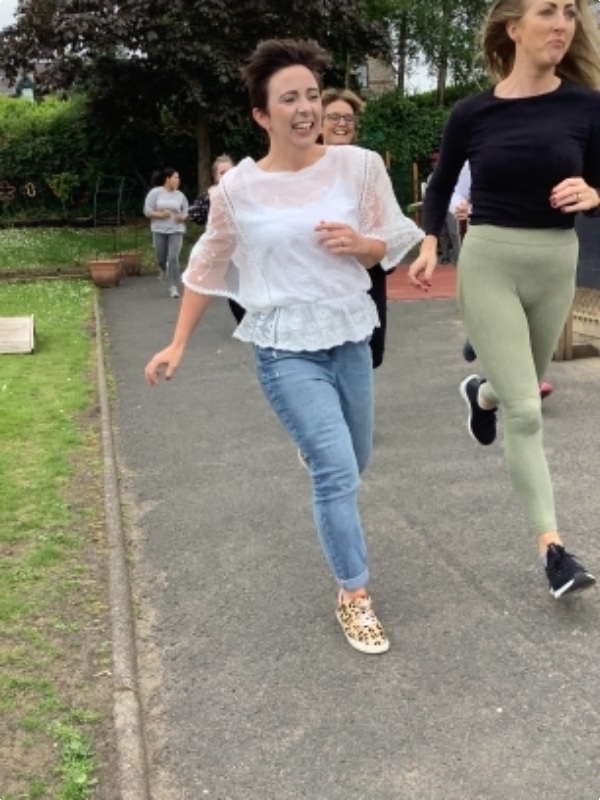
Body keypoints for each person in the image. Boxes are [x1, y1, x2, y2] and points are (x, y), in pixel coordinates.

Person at [145, 38, 423, 654]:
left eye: (312, 96)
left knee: (356, 459)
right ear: (262, 115)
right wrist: (177, 343)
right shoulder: (237, 191)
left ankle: (318, 451)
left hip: (349, 335)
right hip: (283, 345)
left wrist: (363, 246)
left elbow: (390, 239)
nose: (305, 109)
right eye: (289, 99)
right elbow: (206, 266)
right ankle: (354, 594)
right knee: (335, 470)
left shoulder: (359, 166)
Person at [408, 0, 600, 599]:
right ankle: (553, 551)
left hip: (555, 262)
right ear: (513, 28)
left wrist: (595, 193)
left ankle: (481, 393)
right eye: (548, 11)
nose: (563, 23)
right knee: (527, 411)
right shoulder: (473, 112)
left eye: (569, 12)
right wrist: (427, 243)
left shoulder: (588, 106)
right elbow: (440, 185)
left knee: (519, 388)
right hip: (490, 259)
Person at [450, 162, 554, 400]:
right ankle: (515, 385)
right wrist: (460, 206)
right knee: (504, 323)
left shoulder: (555, 149)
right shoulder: (478, 150)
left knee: (529, 319)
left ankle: (484, 351)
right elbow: (454, 192)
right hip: (489, 249)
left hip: (539, 249)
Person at [321, 87, 389, 368]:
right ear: (318, 123)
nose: (342, 124)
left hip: (364, 275)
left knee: (363, 360)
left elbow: (381, 229)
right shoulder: (301, 166)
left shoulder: (367, 165)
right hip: (318, 279)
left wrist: (360, 243)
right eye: (333, 117)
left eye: (348, 118)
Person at [188, 154, 245, 323]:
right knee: (234, 289)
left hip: (245, 249)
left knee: (249, 287)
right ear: (215, 176)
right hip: (224, 251)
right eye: (222, 173)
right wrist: (211, 199)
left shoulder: (245, 194)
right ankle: (242, 321)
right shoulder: (211, 196)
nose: (227, 176)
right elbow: (195, 214)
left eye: (230, 172)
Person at [143, 167, 189, 299]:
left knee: (173, 258)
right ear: (168, 179)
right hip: (159, 230)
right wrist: (161, 215)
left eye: (178, 178)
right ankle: (162, 267)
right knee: (161, 258)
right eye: (175, 177)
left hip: (176, 230)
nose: (178, 180)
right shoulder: (155, 193)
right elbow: (147, 211)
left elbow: (186, 211)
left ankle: (173, 287)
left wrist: (183, 217)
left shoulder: (180, 196)